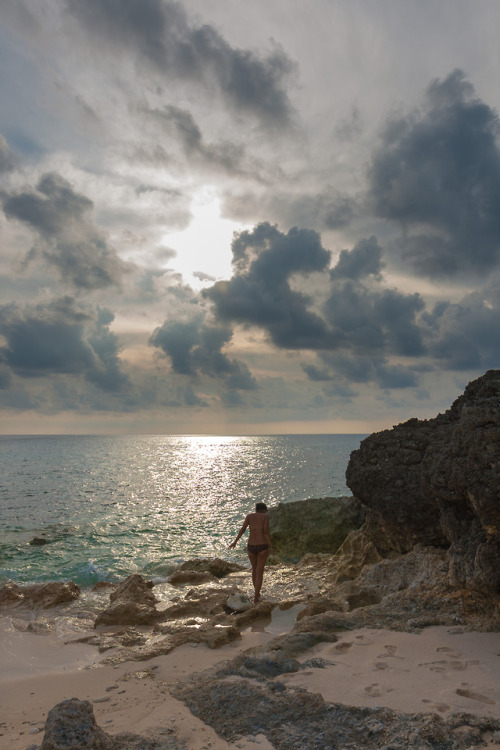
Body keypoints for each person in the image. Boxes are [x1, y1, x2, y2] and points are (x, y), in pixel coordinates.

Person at [229, 502, 274, 604]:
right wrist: (271, 547)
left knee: (254, 570)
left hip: (251, 546)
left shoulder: (249, 516)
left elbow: (243, 529)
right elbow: (266, 532)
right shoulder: (265, 517)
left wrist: (235, 541)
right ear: (264, 510)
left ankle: (257, 594)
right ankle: (256, 597)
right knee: (259, 572)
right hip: (262, 546)